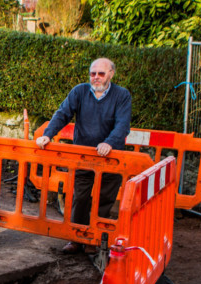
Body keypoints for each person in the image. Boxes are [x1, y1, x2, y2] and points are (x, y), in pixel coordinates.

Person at [36, 58, 132, 254]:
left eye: (101, 73)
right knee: (80, 197)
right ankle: (76, 238)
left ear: (111, 74)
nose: (96, 77)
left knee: (105, 198)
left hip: (111, 157)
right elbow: (63, 113)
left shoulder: (121, 95)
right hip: (84, 156)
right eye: (92, 73)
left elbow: (122, 125)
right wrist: (48, 134)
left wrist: (109, 143)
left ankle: (96, 240)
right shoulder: (79, 92)